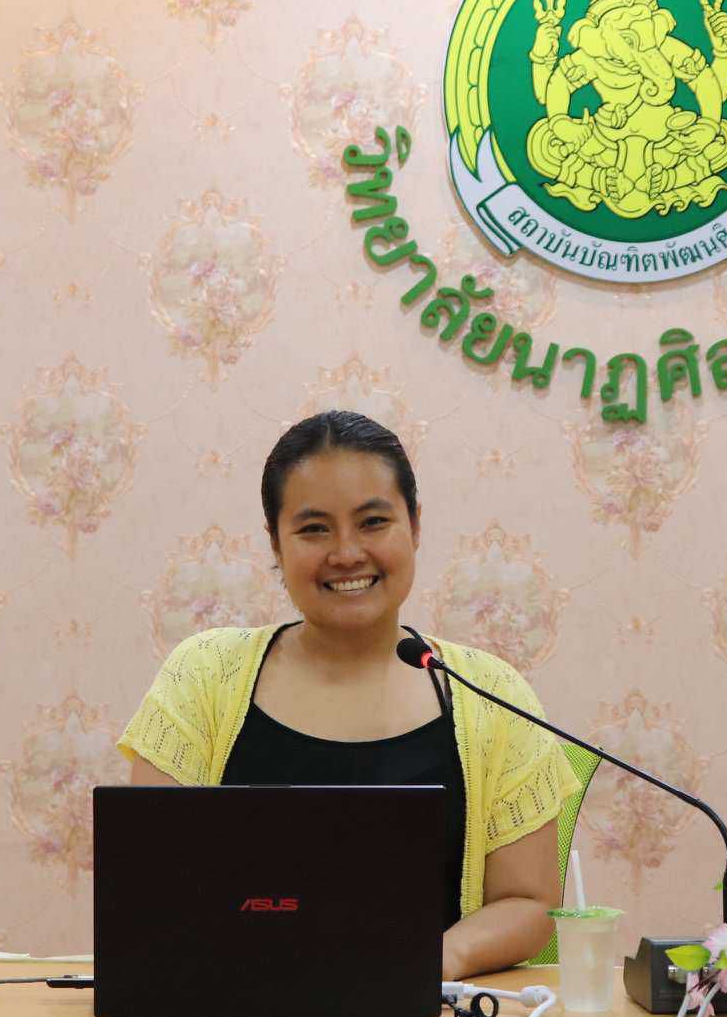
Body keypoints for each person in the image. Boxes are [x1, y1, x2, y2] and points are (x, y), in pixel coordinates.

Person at [118, 410, 579, 980]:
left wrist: (429, 963)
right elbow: (150, 889)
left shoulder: (490, 694)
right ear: (275, 543)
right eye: (314, 529)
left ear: (415, 525)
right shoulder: (202, 677)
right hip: (230, 1016)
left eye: (373, 522)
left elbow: (529, 903)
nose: (346, 553)